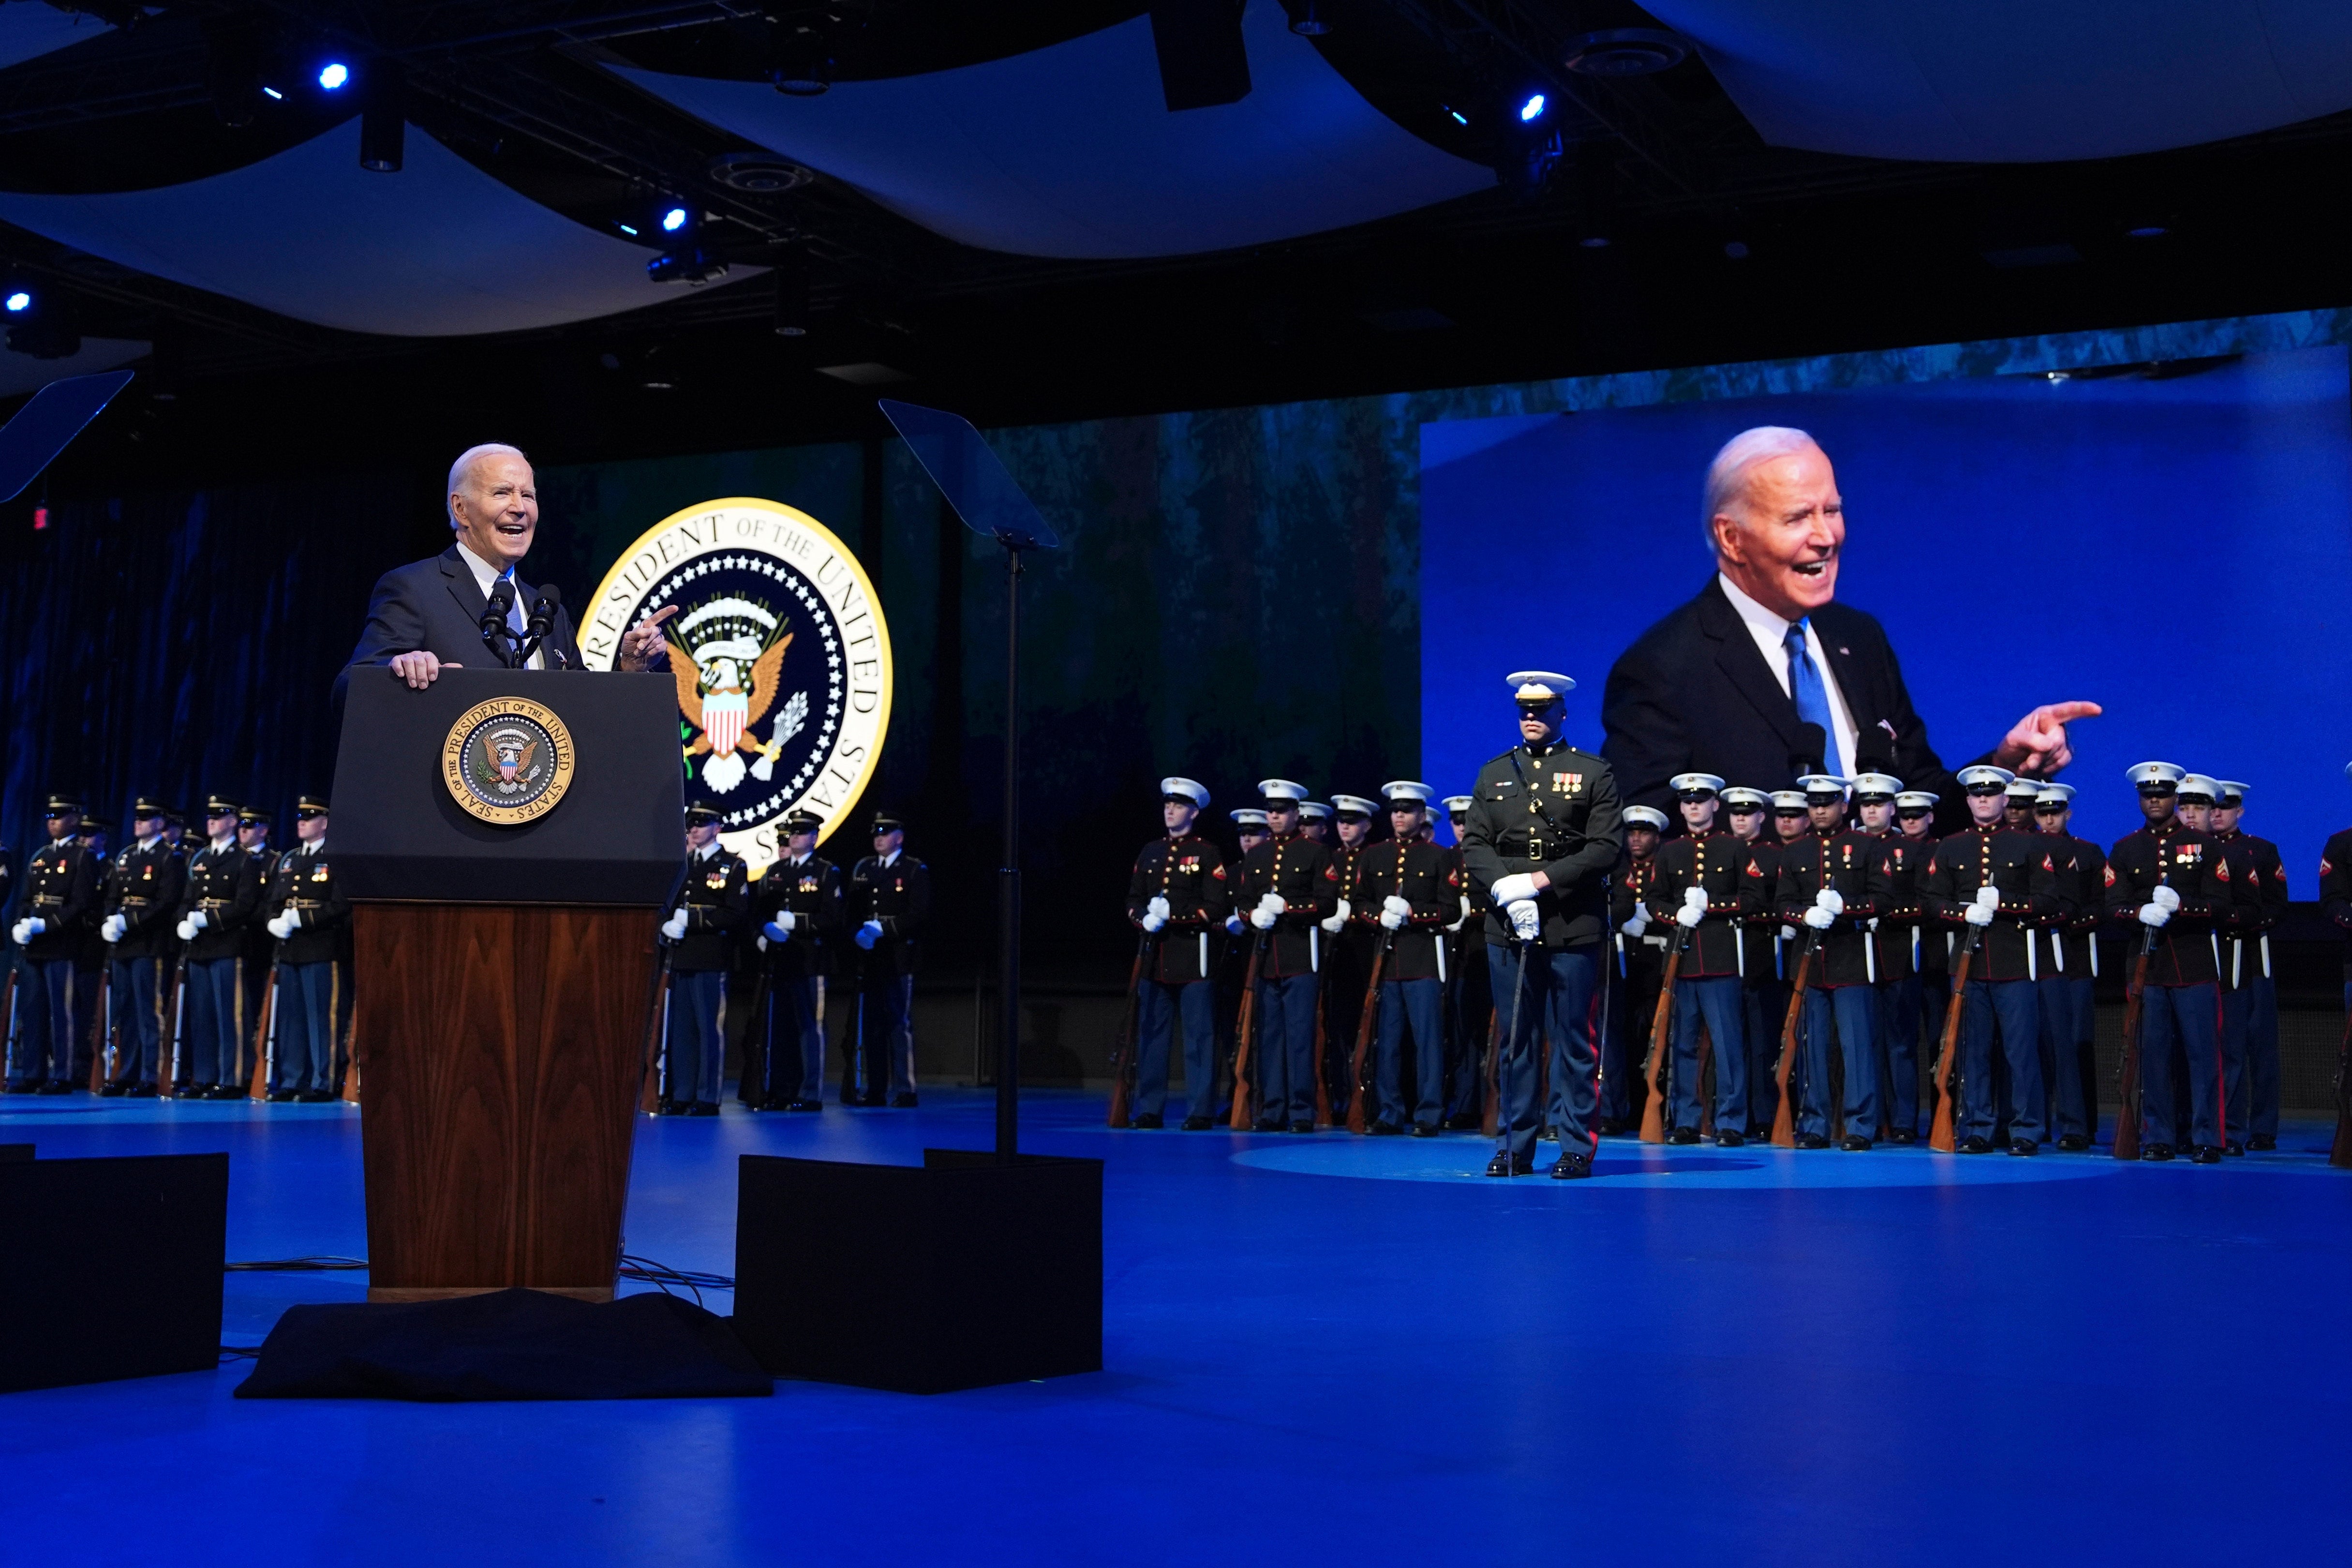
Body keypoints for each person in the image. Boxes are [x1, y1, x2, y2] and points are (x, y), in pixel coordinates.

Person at [1600, 426, 2099, 811]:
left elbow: (1917, 797)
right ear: (1731, 538)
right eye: (1798, 518)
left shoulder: (1857, 638)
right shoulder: (1662, 670)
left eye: (1832, 510)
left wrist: (2001, 767)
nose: (1826, 537)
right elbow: (1644, 842)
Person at [339, 442, 673, 697]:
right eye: (502, 493)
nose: (519, 508)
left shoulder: (549, 613)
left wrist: (631, 668)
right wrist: (400, 672)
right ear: (461, 508)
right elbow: (349, 688)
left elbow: (584, 710)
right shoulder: (415, 589)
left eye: (528, 495)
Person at [1461, 672, 1623, 1179]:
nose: (1530, 717)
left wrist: (1537, 881)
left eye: (1542, 708)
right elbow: (1474, 844)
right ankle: (1514, 1145)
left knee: (1575, 1040)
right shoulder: (1493, 774)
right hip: (1508, 922)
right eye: (1524, 710)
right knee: (1515, 1040)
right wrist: (1505, 891)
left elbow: (1604, 848)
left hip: (1571, 921)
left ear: (1562, 714)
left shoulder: (1592, 772)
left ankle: (1576, 1146)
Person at [2106, 762, 2231, 1162]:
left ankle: (2206, 1136)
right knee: (2152, 1056)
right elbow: (2113, 904)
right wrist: (2138, 912)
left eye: (2161, 793)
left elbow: (2223, 904)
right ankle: (2157, 1135)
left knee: (2202, 1056)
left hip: (2193, 965)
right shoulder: (2126, 849)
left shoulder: (2205, 845)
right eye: (2148, 794)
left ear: (2174, 797)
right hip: (2148, 968)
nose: (2155, 799)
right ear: (2141, 799)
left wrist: (2185, 906)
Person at [1771, 774, 1891, 1150]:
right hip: (1809, 963)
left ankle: (1860, 1125)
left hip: (1851, 960)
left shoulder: (1866, 847)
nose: (1820, 809)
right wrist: (1803, 916)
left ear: (1843, 804)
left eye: (1828, 802)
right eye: (1814, 803)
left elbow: (1884, 899)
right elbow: (1781, 904)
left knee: (1856, 1048)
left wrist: (1847, 907)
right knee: (1813, 1048)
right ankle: (1815, 1123)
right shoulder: (1794, 851)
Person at [1645, 773, 1750, 1145]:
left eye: (1701, 800)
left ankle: (1731, 1121)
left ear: (1715, 805)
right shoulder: (1670, 850)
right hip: (1682, 960)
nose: (1694, 806)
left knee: (1727, 1045)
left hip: (1721, 959)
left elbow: (1752, 899)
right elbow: (1654, 900)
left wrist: (1715, 906)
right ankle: (1686, 1119)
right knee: (1683, 1044)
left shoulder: (1733, 848)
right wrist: (1676, 915)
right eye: (1688, 800)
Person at [1355, 781, 1461, 1135]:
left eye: (1407, 810)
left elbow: (1449, 911)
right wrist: (1377, 916)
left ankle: (1429, 1112)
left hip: (1422, 962)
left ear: (1420, 814)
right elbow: (1359, 902)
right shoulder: (1374, 855)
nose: (1399, 815)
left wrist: (1414, 912)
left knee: (1428, 1042)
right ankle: (1389, 1111)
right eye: (1395, 810)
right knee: (1387, 1041)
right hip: (1385, 963)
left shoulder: (1438, 856)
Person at [1232, 780, 1338, 1132]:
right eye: (1271, 811)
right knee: (1270, 1037)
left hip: (1299, 956)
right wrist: (1251, 916)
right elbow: (1245, 900)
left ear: (1296, 813)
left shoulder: (1314, 852)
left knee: (1300, 1037)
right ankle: (1272, 1108)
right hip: (1266, 958)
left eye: (1281, 811)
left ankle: (1301, 1110)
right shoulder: (1258, 854)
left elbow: (1328, 902)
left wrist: (1291, 908)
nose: (1275, 816)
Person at [1124, 778, 1229, 1130]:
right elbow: (1134, 898)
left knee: (1199, 1038)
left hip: (1192, 956)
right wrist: (1143, 918)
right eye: (1168, 804)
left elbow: (1215, 906)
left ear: (1194, 812)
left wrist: (1176, 916)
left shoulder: (1206, 852)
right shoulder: (1151, 851)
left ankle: (1201, 1109)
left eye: (1179, 805)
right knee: (1152, 1034)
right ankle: (1150, 1107)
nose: (1170, 810)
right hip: (1156, 955)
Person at [2176, 775, 2258, 1155]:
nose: (2192, 814)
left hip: (2230, 958)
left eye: (2203, 807)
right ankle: (2182, 1128)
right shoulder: (2176, 848)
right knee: (2182, 1050)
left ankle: (2231, 1128)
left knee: (2227, 1049)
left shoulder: (2245, 853)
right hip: (2187, 959)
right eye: (2186, 806)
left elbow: (2254, 907)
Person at [748, 808, 845, 1112]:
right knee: (782, 1029)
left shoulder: (827, 872)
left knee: (810, 1028)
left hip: (810, 960)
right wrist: (764, 931)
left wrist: (799, 924)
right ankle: (780, 1089)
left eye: (802, 832)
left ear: (815, 837)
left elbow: (834, 918)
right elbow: (759, 909)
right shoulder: (776, 870)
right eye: (793, 832)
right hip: (781, 962)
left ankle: (810, 1092)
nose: (796, 837)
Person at [659, 804, 747, 1115]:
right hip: (682, 956)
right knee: (681, 1029)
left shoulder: (732, 866)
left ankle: (708, 1096)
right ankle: (682, 1093)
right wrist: (667, 925)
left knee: (709, 1028)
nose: (694, 828)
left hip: (711, 957)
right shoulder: (683, 864)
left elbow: (735, 913)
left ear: (717, 827)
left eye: (701, 823)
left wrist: (692, 920)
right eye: (691, 823)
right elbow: (669, 903)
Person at [2212, 781, 2286, 1150]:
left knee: (2262, 1046)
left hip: (2255, 958)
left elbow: (2276, 904)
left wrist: (2245, 921)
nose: (2218, 814)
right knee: (2229, 1048)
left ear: (2239, 811)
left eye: (2226, 808)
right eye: (2214, 807)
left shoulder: (2261, 850)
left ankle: (2263, 1127)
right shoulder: (2201, 851)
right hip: (2215, 961)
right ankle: (2230, 1126)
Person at [260, 797, 350, 1103]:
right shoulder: (289, 860)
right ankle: (292, 1079)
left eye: (310, 817)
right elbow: (273, 901)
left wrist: (302, 918)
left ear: (325, 822)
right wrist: (273, 921)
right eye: (300, 816)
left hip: (321, 947)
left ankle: (322, 1081)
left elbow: (340, 906)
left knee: (322, 1017)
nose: (302, 821)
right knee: (291, 1018)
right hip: (290, 949)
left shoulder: (336, 857)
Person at [2031, 784, 2103, 1150]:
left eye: (2054, 812)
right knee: (2035, 1045)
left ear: (2067, 813)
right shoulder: (2027, 850)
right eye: (2042, 812)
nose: (2048, 818)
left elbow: (2100, 904)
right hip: (2032, 958)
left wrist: (2068, 918)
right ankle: (2037, 1122)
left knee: (2074, 1044)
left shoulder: (2088, 853)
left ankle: (2080, 1124)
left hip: (2073, 960)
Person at [97, 800, 185, 1098]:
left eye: (147, 818)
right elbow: (112, 895)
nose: (139, 822)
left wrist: (129, 922)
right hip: (124, 945)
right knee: (126, 1012)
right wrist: (111, 918)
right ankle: (127, 1073)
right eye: (137, 817)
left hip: (149, 943)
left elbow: (166, 903)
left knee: (149, 1011)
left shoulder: (168, 858)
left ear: (161, 823)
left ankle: (150, 1075)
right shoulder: (126, 856)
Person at [173, 797, 260, 1098]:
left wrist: (207, 920)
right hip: (199, 947)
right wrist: (185, 919)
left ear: (234, 821)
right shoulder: (199, 859)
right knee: (202, 1015)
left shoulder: (244, 860)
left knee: (229, 1015)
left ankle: (233, 1078)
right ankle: (205, 1077)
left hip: (226, 943)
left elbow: (245, 905)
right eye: (209, 815)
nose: (212, 820)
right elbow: (186, 899)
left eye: (219, 815)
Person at [9, 796, 96, 1093]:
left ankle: (63, 1074)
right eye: (50, 816)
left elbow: (81, 903)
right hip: (34, 946)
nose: (52, 821)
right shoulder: (41, 856)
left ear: (74, 818)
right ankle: (33, 1072)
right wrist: (22, 923)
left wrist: (48, 924)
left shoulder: (82, 857)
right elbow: (26, 898)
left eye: (59, 816)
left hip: (62, 944)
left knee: (62, 1012)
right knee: (32, 1011)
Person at [847, 811, 930, 1108]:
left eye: (885, 833)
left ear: (900, 837)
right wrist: (858, 932)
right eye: (876, 833)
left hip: (898, 957)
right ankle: (876, 1089)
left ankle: (906, 1089)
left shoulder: (913, 870)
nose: (879, 838)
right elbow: (853, 910)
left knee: (898, 1022)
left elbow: (919, 913)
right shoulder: (864, 868)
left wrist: (885, 928)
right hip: (871, 957)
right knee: (872, 1025)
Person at [1863, 776, 1929, 1142]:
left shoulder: (1912, 851)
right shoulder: (1850, 847)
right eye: (1866, 803)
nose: (1872, 809)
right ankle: (1870, 1119)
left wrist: (1886, 912)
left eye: (1880, 803)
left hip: (1900, 955)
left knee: (1901, 1043)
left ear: (1893, 808)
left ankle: (1904, 1120)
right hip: (1853, 958)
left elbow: (1925, 902)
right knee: (1864, 1044)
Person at [1604, 804, 1670, 1134]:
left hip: (1654, 966)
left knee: (1655, 1038)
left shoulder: (1665, 866)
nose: (1636, 839)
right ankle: (1622, 1109)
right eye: (1631, 832)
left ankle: (1654, 1107)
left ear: (1657, 837)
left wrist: (1652, 919)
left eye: (1644, 832)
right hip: (1621, 963)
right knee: (1620, 1037)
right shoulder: (1616, 867)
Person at [1321, 794, 1379, 1120]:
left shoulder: (1373, 857)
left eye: (1352, 821)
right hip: (1336, 952)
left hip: (1364, 949)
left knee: (1365, 1026)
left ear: (1367, 824)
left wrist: (1355, 916)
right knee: (1337, 1030)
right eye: (1342, 820)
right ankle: (1338, 1095)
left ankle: (1365, 1095)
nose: (1345, 826)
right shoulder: (1330, 857)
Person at [1441, 794, 1491, 1130]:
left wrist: (1469, 910)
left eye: (1467, 820)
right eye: (1457, 822)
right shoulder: (1446, 859)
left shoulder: (1490, 856)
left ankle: (1493, 1103)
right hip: (1457, 957)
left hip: (1488, 954)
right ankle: (1466, 1104)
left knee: (1492, 1034)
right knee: (1462, 1036)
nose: (1462, 827)